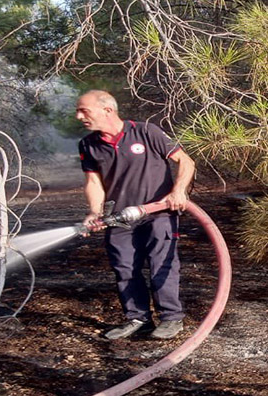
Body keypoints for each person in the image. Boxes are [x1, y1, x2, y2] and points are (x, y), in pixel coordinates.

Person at [75, 90, 196, 340]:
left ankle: (171, 318)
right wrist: (95, 212)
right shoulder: (88, 145)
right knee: (125, 267)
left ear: (107, 109)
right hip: (120, 218)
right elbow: (93, 182)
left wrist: (178, 192)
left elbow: (186, 161)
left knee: (162, 264)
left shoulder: (146, 132)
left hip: (159, 213)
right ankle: (138, 318)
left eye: (84, 110)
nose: (79, 116)